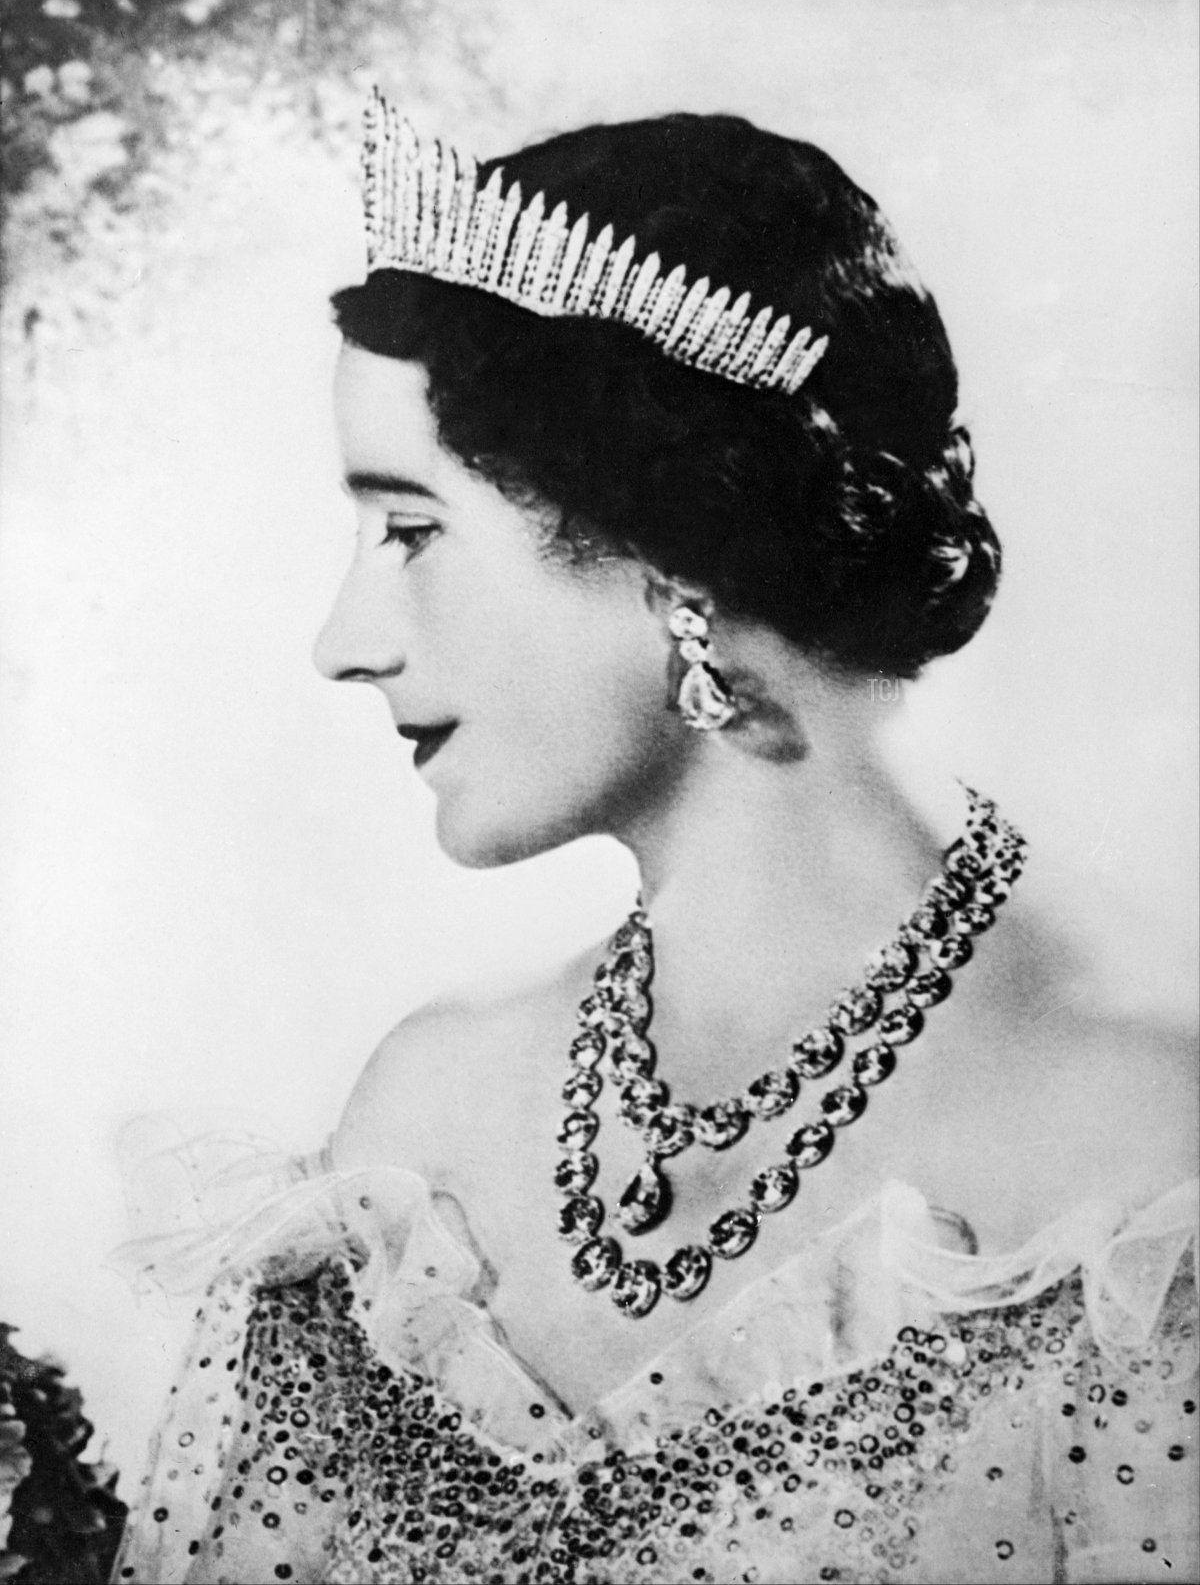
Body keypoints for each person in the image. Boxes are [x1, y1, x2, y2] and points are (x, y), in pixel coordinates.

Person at [112, 96, 1198, 1584]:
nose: (344, 639)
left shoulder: (1143, 1160)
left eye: (412, 530)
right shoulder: (412, 1135)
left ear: (669, 548)